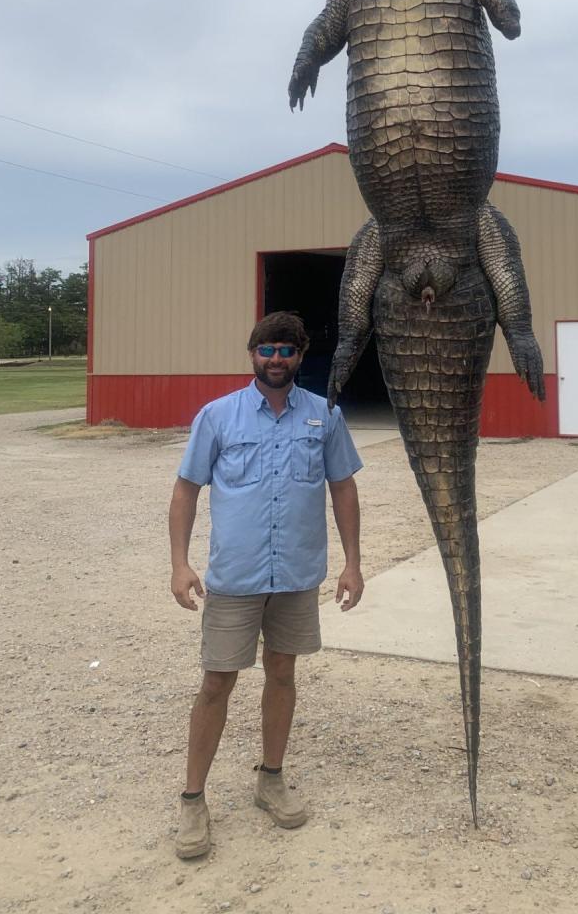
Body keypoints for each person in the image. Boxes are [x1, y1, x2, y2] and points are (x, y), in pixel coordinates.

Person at [168, 311, 364, 859]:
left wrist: (353, 564)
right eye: (266, 350)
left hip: (297, 575)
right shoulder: (218, 417)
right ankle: (192, 800)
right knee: (216, 683)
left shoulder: (324, 416)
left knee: (283, 673)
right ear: (251, 354)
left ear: (301, 356)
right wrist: (179, 564)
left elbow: (343, 490)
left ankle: (270, 778)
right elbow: (186, 490)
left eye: (287, 350)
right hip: (236, 576)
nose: (276, 360)